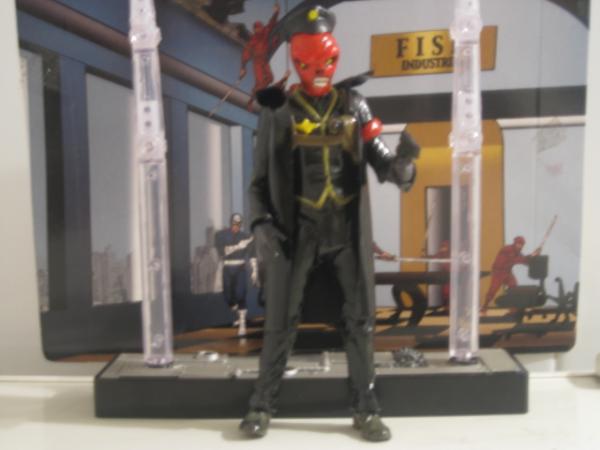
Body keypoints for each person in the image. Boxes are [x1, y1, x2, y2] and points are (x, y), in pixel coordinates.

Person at [239, 6, 419, 442]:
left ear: (335, 58)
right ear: (296, 62)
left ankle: (366, 407)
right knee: (280, 321)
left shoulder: (354, 105)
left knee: (360, 321)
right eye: (308, 65)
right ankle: (262, 404)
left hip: (345, 229)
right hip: (297, 229)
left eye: (326, 63)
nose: (319, 73)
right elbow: (258, 183)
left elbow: (383, 162)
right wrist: (261, 225)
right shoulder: (278, 111)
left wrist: (404, 165)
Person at [215, 213, 258, 335]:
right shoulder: (222, 235)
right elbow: (222, 252)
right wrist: (238, 246)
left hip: (240, 268)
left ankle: (242, 324)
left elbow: (252, 254)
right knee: (228, 297)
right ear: (231, 223)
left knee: (241, 294)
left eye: (238, 224)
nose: (236, 226)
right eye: (234, 223)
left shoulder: (245, 236)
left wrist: (254, 270)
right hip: (227, 267)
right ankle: (237, 312)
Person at [482, 236, 540, 313]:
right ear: (515, 243)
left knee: (513, 287)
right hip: (498, 273)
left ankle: (513, 309)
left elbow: (525, 261)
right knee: (492, 290)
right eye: (519, 244)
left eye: (521, 244)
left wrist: (534, 255)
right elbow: (518, 259)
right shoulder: (507, 249)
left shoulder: (517, 252)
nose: (520, 246)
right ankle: (484, 307)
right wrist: (531, 256)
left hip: (507, 272)